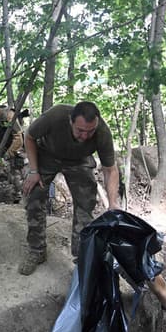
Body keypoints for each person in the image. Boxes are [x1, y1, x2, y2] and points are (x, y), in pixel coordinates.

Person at [19, 101, 120, 275]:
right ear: (70, 121)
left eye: (90, 132)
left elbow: (110, 169)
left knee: (86, 204)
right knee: (34, 194)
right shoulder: (55, 115)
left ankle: (82, 258)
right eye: (80, 130)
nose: (85, 136)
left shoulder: (102, 131)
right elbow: (29, 137)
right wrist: (34, 171)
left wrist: (112, 203)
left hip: (79, 160)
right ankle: (37, 250)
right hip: (47, 155)